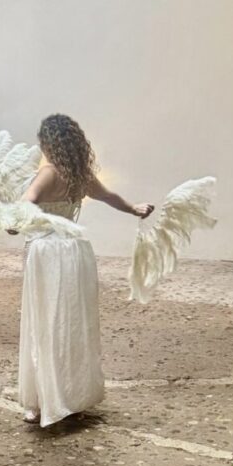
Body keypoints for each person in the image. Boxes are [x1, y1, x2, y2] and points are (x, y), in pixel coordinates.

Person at [19, 113, 154, 427]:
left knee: (45, 324)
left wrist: (12, 222)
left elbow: (28, 201)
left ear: (47, 143)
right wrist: (135, 208)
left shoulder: (48, 172)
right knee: (72, 324)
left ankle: (42, 401)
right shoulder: (79, 174)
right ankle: (70, 395)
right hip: (75, 250)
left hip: (47, 252)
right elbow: (108, 196)